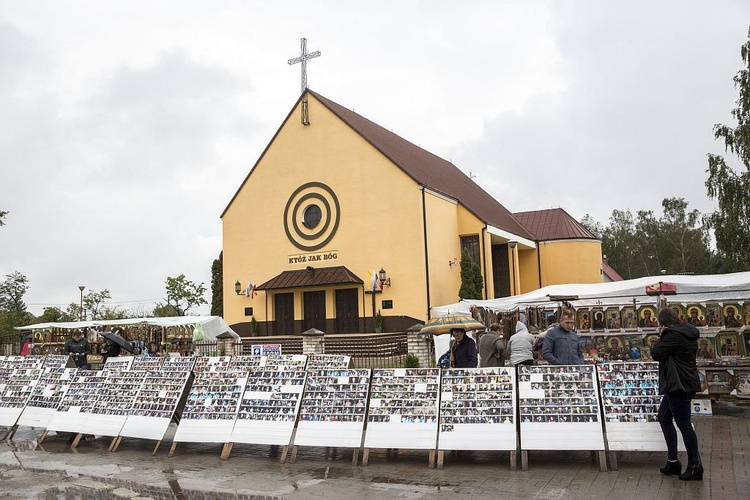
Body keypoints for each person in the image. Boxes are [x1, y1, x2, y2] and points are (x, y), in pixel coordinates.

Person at [651, 308, 703, 481]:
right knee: (664, 418)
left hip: (677, 384)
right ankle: (673, 461)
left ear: (664, 322)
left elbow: (656, 354)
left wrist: (660, 337)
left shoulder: (672, 335)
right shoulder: (689, 331)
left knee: (684, 425)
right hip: (684, 382)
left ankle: (695, 466)